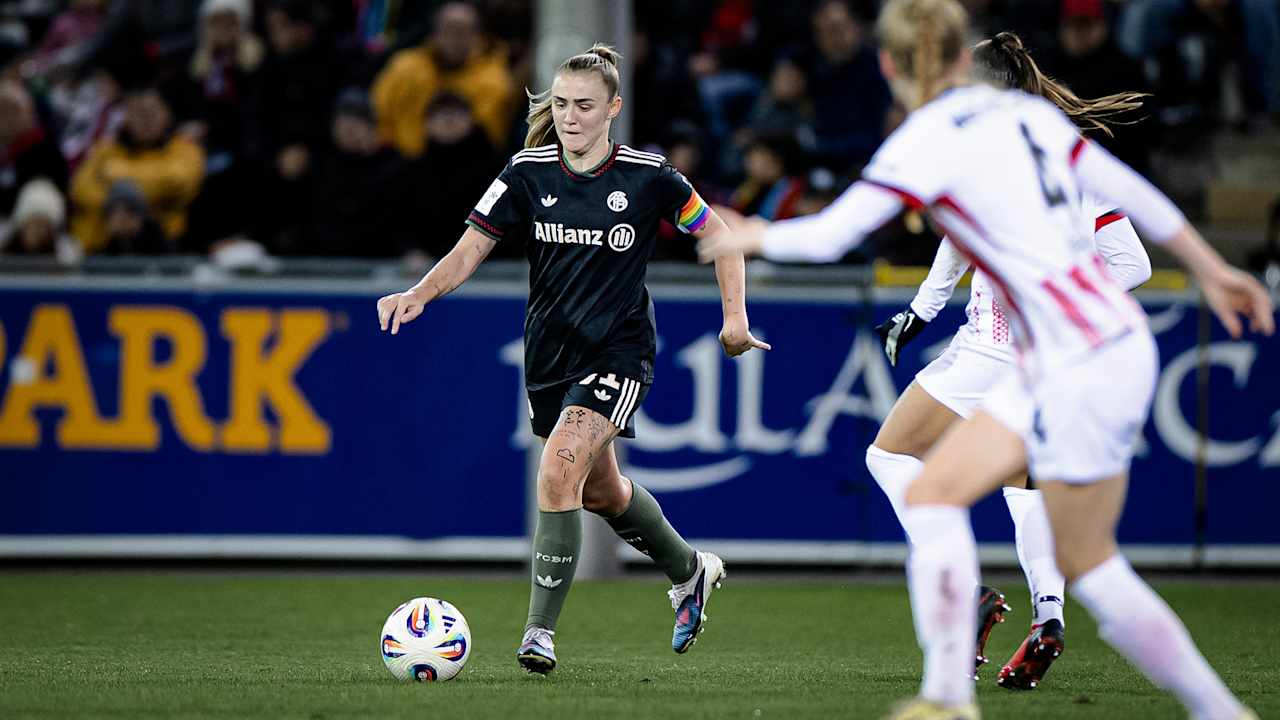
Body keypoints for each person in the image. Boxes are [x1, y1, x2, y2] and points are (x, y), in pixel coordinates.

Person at [697, 0, 1273, 717]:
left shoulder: (929, 138)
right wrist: (1214, 270)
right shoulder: (1031, 121)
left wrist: (750, 235)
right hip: (1108, 348)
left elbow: (830, 234)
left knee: (929, 486)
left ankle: (950, 688)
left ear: (890, 67)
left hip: (1061, 357)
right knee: (1075, 555)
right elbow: (1132, 193)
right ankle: (1204, 707)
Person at [377, 44, 769, 675]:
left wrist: (735, 320)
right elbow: (470, 249)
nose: (569, 116)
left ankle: (538, 633)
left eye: (584, 105)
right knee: (602, 492)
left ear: (614, 108)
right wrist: (419, 292)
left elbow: (722, 237)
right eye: (560, 103)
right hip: (550, 356)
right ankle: (690, 571)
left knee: (559, 470)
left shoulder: (649, 176)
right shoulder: (527, 172)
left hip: (620, 351)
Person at [868, 30, 1153, 691]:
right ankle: (1048, 617)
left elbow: (956, 236)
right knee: (1023, 486)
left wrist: (921, 311)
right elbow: (1133, 264)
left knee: (889, 456)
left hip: (989, 348)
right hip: (1046, 363)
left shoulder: (983, 148)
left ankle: (965, 595)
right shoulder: (1074, 157)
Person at [69, 84, 204, 252]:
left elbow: (176, 181)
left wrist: (114, 175)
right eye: (137, 113)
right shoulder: (105, 149)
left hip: (163, 251)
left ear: (167, 114)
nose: (145, 119)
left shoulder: (185, 149)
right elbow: (81, 190)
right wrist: (118, 207)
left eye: (151, 112)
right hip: (99, 248)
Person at [371, 2, 515, 158]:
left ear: (477, 35)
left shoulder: (494, 82)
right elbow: (379, 117)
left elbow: (490, 137)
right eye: (448, 29)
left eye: (463, 31)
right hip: (400, 163)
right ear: (435, 33)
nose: (455, 39)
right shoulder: (405, 67)